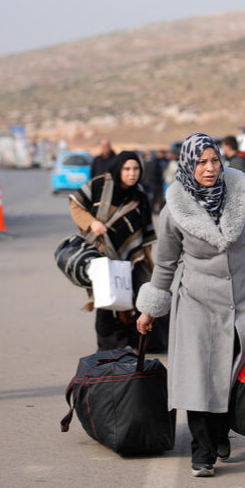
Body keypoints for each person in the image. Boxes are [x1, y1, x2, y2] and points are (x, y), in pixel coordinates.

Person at [135, 133, 245, 477]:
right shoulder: (174, 208)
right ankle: (202, 451)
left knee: (234, 375)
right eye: (202, 162)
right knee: (199, 377)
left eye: (214, 160)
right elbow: (165, 263)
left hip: (243, 300)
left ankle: (221, 433)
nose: (209, 168)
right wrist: (150, 308)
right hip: (197, 302)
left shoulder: (241, 192)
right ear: (188, 165)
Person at [69, 150, 156, 351]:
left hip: (132, 256)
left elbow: (145, 229)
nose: (132, 173)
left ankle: (135, 340)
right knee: (106, 299)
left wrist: (148, 260)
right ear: (118, 169)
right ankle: (108, 346)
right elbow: (76, 204)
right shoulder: (99, 184)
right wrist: (92, 223)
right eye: (127, 169)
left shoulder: (140, 194)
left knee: (135, 296)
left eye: (135, 169)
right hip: (102, 252)